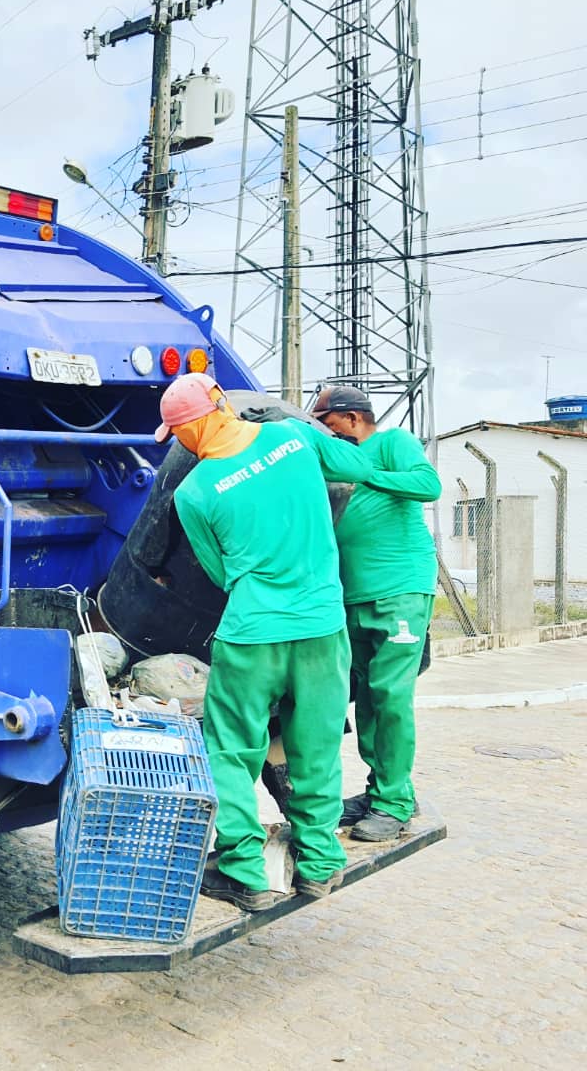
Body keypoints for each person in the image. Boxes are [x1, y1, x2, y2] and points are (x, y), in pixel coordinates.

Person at [157, 374, 374, 911]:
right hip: (322, 629)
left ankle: (245, 872)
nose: (182, 441)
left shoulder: (193, 491)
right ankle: (320, 865)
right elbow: (357, 469)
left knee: (231, 750)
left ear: (189, 429)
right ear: (223, 404)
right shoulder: (293, 440)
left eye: (178, 432)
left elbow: (219, 571)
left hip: (252, 634)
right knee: (317, 747)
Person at [312, 385, 441, 842]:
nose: (326, 436)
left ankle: (395, 803)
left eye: (327, 425)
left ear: (350, 419)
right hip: (354, 597)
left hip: (399, 590)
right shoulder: (332, 467)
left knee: (389, 695)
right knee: (367, 697)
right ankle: (382, 791)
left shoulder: (392, 444)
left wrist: (365, 473)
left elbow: (430, 485)